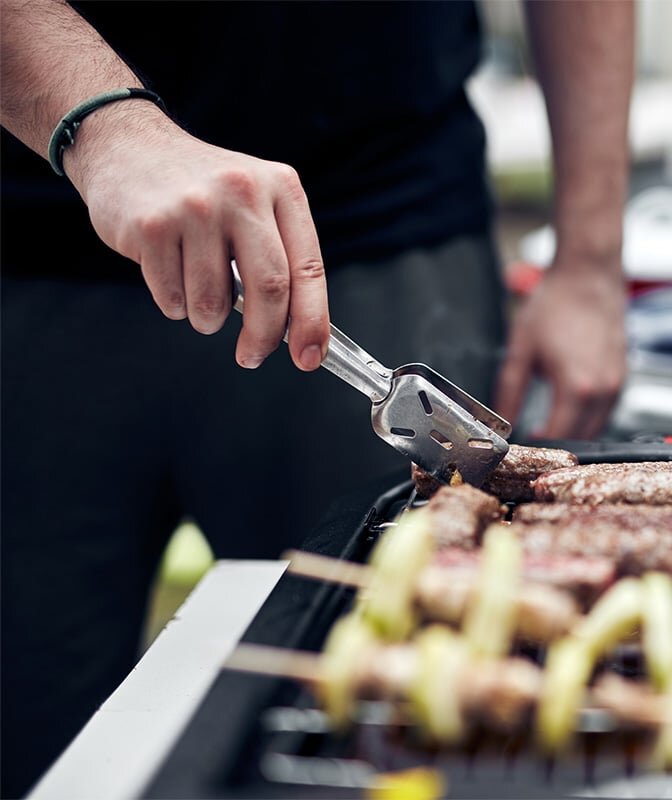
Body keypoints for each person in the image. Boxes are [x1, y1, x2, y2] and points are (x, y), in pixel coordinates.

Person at [0, 0, 633, 794]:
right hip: (30, 249)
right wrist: (101, 122)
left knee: (401, 730)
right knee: (39, 744)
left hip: (387, 221)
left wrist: (591, 259)